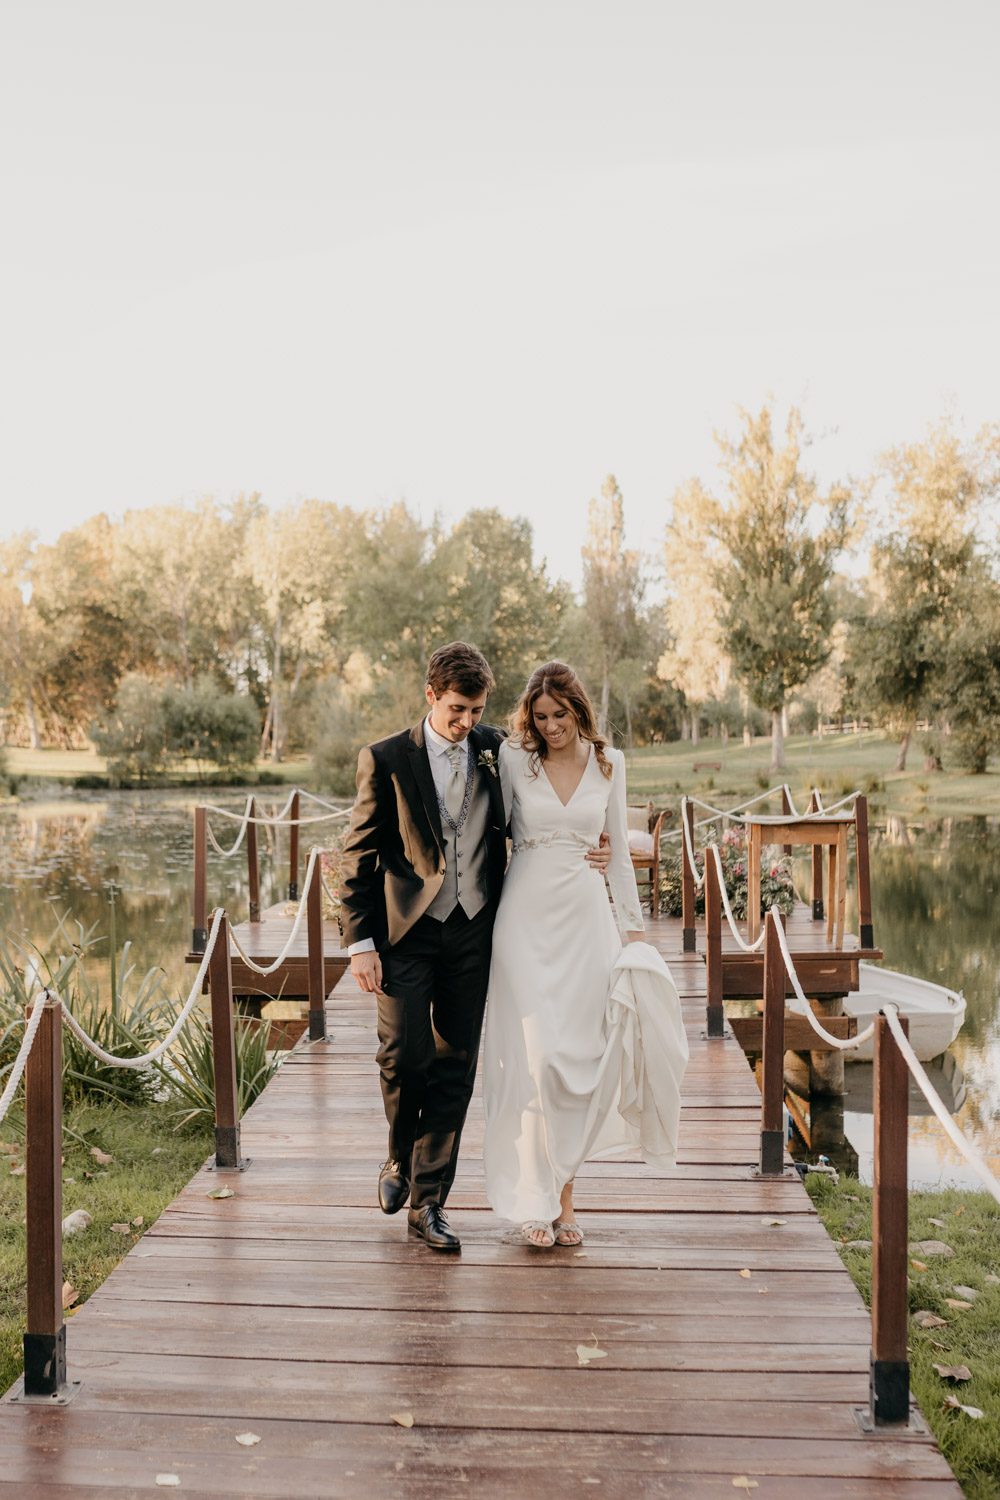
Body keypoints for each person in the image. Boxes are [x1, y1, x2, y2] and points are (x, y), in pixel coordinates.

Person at [338, 642, 613, 1252]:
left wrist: (602, 845)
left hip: (475, 929)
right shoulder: (384, 759)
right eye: (458, 709)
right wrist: (359, 944)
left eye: (477, 710)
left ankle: (429, 1202)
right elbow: (355, 855)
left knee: (455, 1066)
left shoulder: (495, 750)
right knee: (404, 1057)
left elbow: (562, 797)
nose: (467, 723)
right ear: (431, 695)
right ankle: (398, 1161)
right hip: (403, 933)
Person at [482, 660, 689, 1247]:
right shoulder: (516, 761)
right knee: (536, 1063)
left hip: (585, 920)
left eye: (560, 715)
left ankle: (565, 1200)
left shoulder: (610, 762)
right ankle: (533, 1201)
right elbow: (487, 834)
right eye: (541, 716)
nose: (550, 727)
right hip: (523, 921)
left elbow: (619, 854)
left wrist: (636, 932)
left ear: (578, 710)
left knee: (580, 1063)